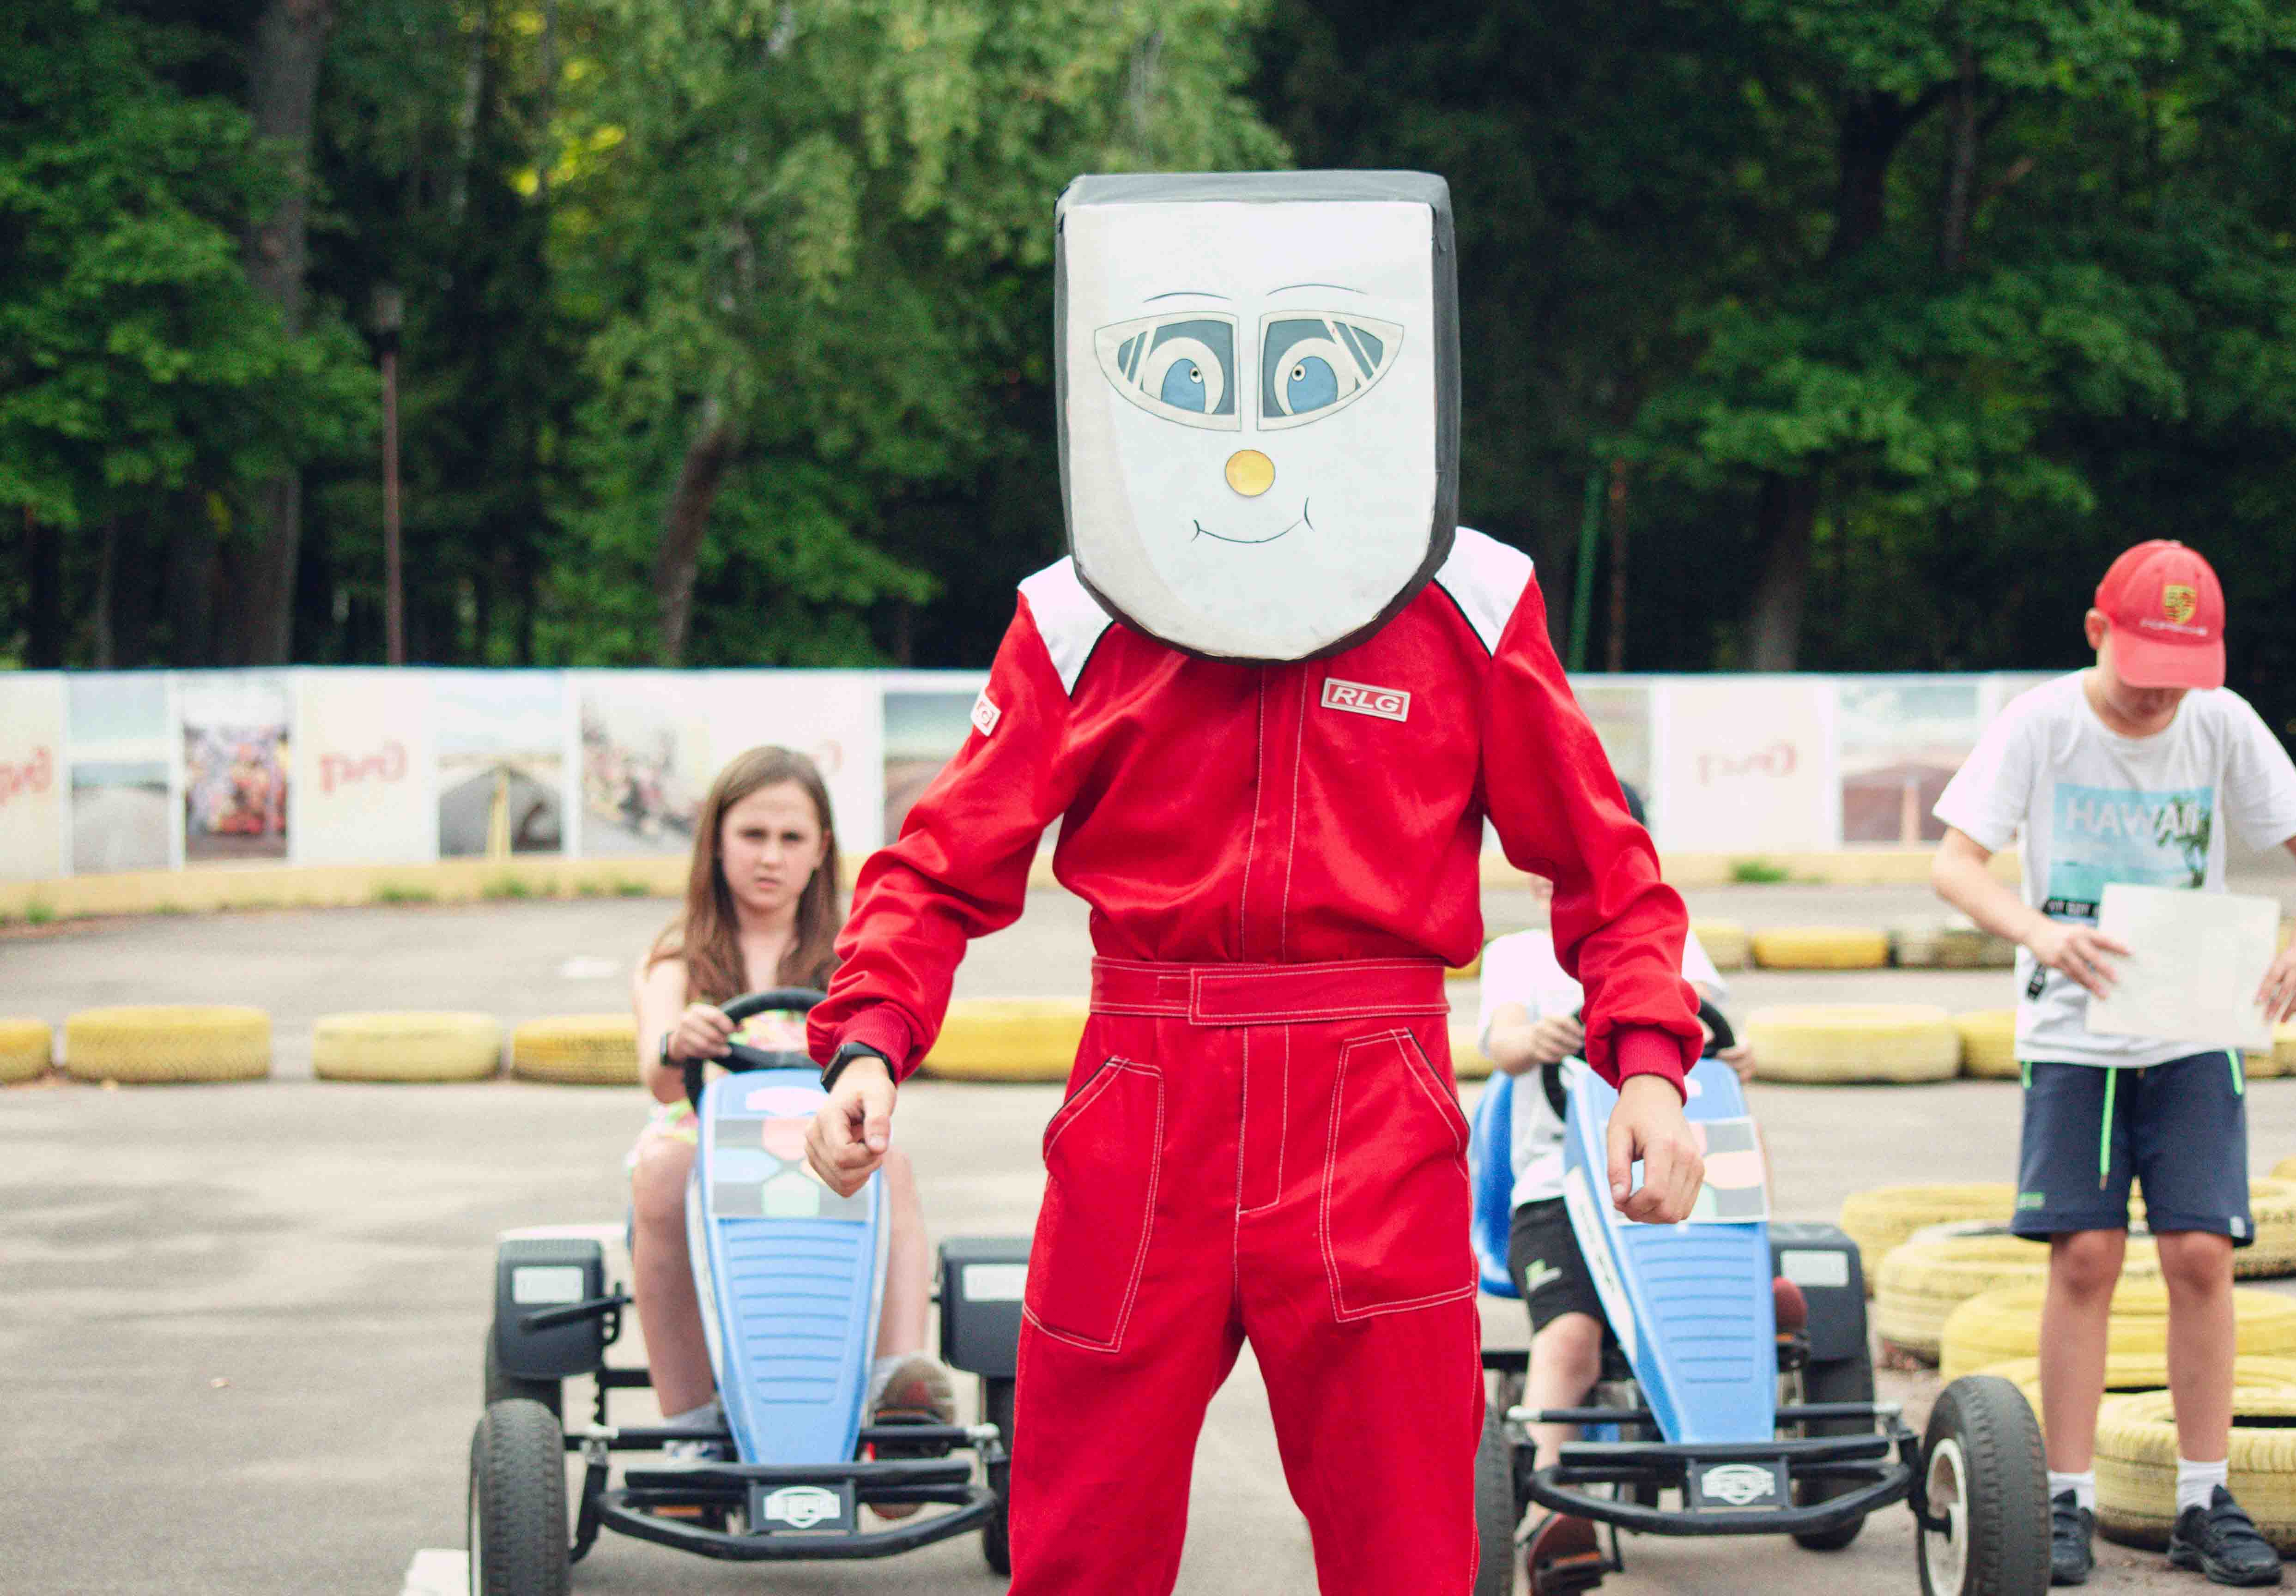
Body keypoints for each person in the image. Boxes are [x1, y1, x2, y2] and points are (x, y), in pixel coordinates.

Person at [801, 171, 1707, 1596]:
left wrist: (1648, 1065)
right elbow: (936, 865)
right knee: (1080, 1552)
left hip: (1375, 1102)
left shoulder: (1469, 597)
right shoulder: (1082, 604)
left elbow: (1606, 864)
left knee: (1408, 1554)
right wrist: (867, 1039)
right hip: (1143, 1102)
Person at [1930, 540, 2296, 1589]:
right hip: (2075, 1034)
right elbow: (1955, 863)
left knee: (2202, 1253)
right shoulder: (2041, 723)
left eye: (2183, 674)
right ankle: (2065, 1498)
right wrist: (2038, 931)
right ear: (2097, 632)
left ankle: (2205, 1499)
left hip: (2193, 1024)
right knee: (2084, 1257)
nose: (2163, 696)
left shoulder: (2222, 722)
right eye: (2147, 669)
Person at [627, 745, 955, 1473]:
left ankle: (896, 1395)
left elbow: (885, 1047)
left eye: (791, 838)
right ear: (717, 842)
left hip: (817, 1152)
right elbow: (656, 1077)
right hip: (705, 1155)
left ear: (821, 851)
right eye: (753, 835)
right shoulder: (677, 963)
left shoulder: (850, 961)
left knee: (891, 1162)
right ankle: (690, 1426)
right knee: (661, 1170)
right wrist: (681, 1042)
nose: (771, 858)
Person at [1480, 864, 1755, 1574]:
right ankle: (1551, 1505)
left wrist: (1736, 1056)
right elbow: (1504, 1043)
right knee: (1572, 1336)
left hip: (1673, 1173)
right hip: (1557, 1188)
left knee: (1731, 1279)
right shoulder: (1519, 955)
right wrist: (1532, 1041)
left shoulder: (1669, 946)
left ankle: (1765, 1318)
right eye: (1546, 871)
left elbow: (1710, 1027)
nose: (1559, 881)